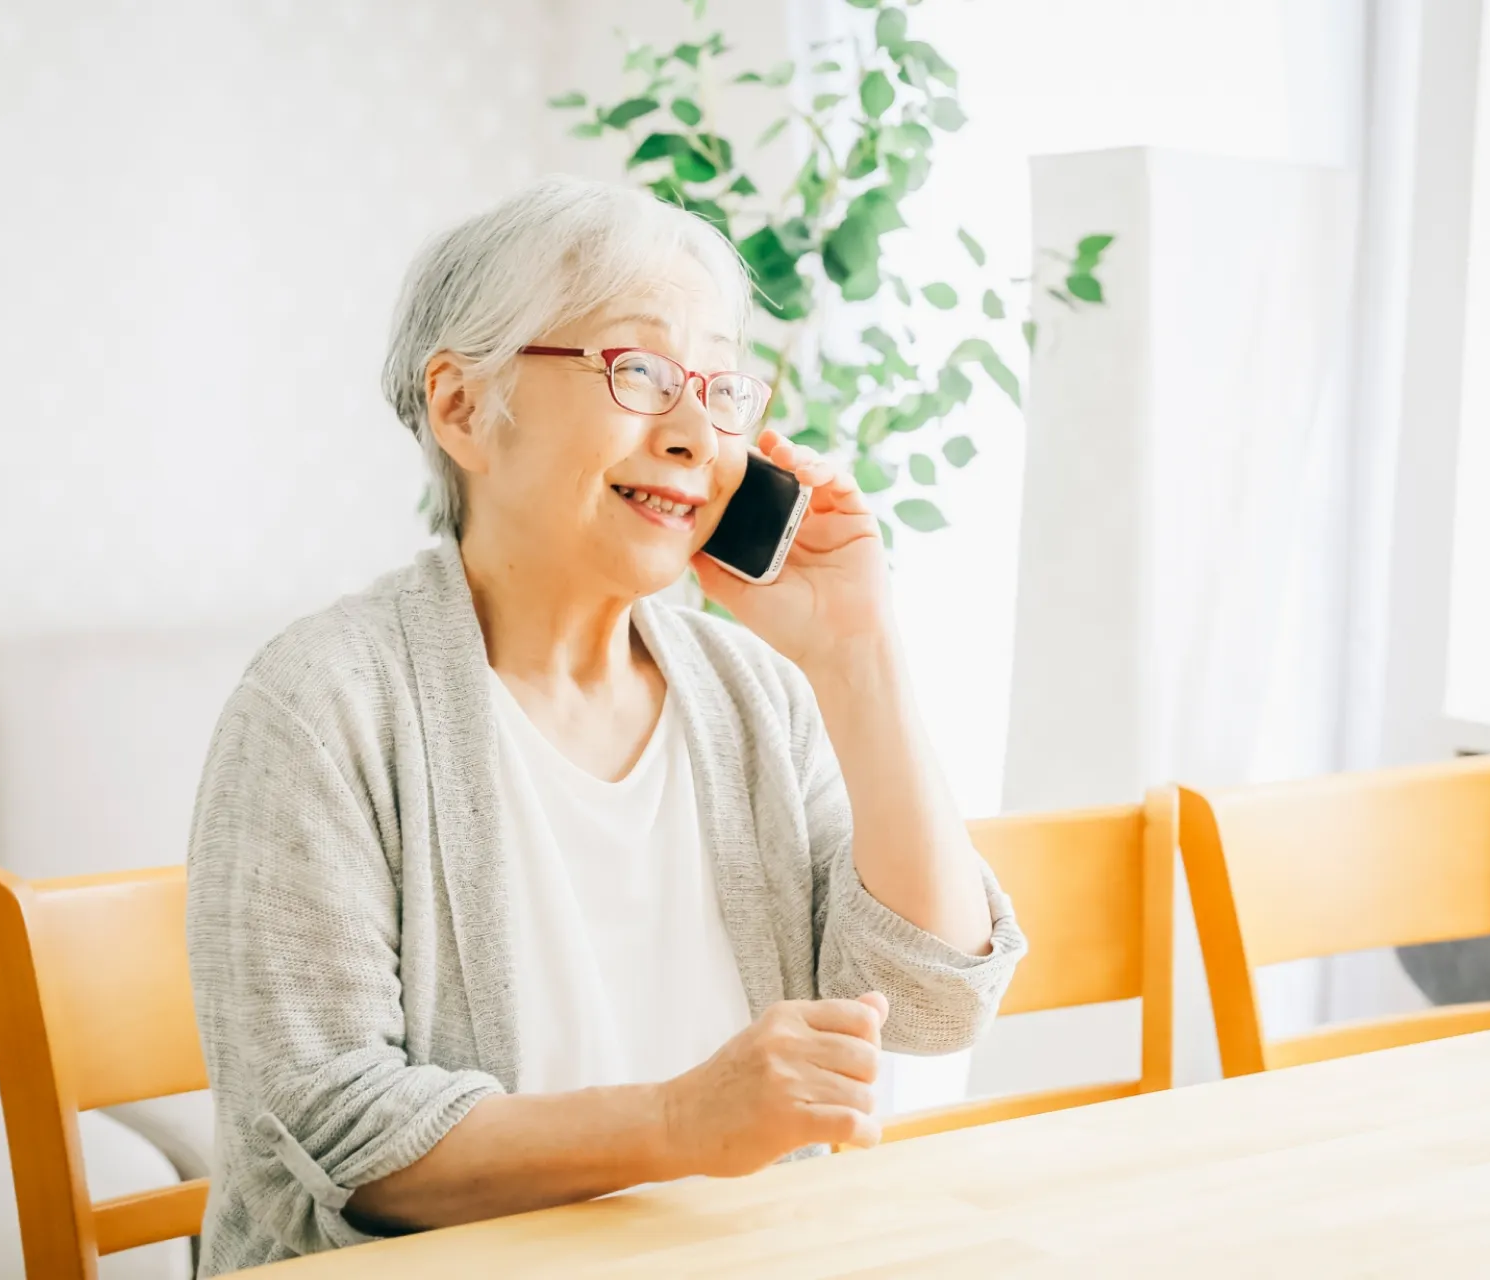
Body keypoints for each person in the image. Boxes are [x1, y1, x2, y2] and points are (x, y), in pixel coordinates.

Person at [184, 174, 1026, 1275]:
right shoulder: (322, 702)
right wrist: (681, 1121)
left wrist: (856, 654)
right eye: (638, 371)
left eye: (721, 387)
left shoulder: (749, 690)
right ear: (462, 408)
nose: (693, 433)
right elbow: (340, 1131)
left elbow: (931, 999)